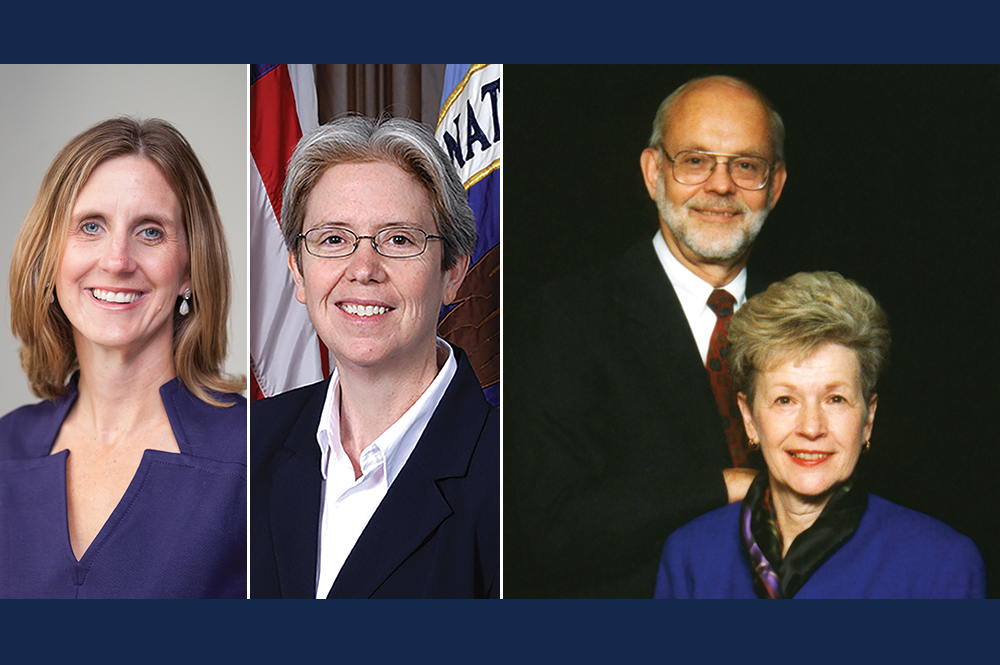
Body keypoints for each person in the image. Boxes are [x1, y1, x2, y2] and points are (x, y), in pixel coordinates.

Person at [505, 75, 788, 598]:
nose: (721, 186)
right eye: (696, 161)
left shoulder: (813, 322)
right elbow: (559, 528)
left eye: (745, 165)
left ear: (775, 184)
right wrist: (727, 488)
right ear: (654, 172)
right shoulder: (567, 319)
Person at [249, 115, 499, 599]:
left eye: (399, 239)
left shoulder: (507, 473)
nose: (363, 269)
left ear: (453, 272)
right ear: (298, 274)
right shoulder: (248, 444)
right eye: (334, 239)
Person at [0, 117, 247, 599]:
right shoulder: (6, 447)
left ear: (190, 269)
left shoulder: (253, 452)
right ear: (50, 259)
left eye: (150, 232)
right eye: (91, 227)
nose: (117, 260)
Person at [655, 271, 985, 598]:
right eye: (785, 400)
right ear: (750, 419)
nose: (811, 427)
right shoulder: (690, 557)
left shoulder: (941, 565)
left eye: (835, 399)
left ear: (868, 417)